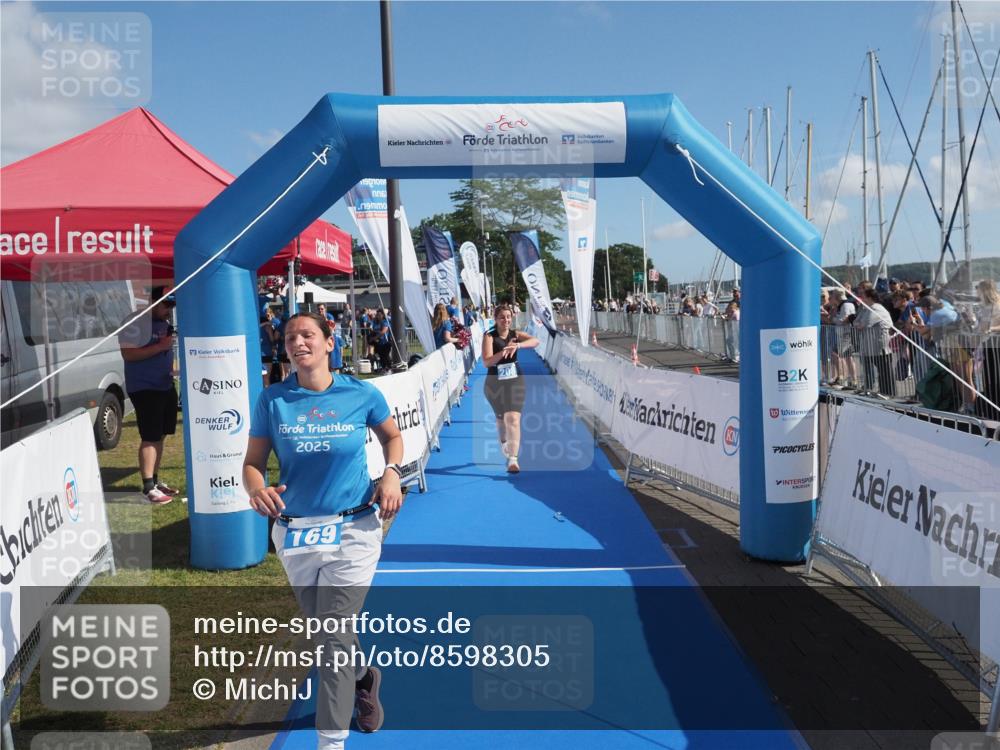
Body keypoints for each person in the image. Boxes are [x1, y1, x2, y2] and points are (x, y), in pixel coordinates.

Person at [243, 311, 404, 750]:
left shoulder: (360, 393)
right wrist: (257, 491)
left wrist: (391, 472)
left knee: (332, 636)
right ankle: (363, 677)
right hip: (296, 533)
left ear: (329, 342)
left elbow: (393, 437)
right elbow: (252, 466)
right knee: (327, 631)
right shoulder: (273, 400)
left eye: (308, 334)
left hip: (354, 527)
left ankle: (330, 742)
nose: (298, 342)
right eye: (290, 336)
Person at [118, 286, 180, 504]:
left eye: (172, 305)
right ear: (152, 301)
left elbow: (165, 352)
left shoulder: (164, 324)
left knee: (161, 435)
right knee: (150, 436)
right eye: (166, 304)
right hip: (145, 388)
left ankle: (154, 480)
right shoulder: (134, 322)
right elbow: (128, 354)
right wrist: (160, 346)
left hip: (165, 385)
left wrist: (172, 369)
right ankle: (147, 487)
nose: (169, 310)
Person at [481, 304, 539, 473]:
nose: (505, 320)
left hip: (515, 381)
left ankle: (513, 460)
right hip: (494, 384)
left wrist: (518, 346)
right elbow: (486, 362)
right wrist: (504, 352)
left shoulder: (515, 335)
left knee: (512, 418)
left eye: (508, 317)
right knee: (501, 420)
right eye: (502, 317)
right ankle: (504, 442)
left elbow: (535, 341)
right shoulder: (489, 336)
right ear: (495, 319)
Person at [974, 279, 1000, 419]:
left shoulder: (997, 305)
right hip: (988, 346)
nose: (977, 291)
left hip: (995, 345)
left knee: (995, 378)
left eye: (978, 289)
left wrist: (991, 329)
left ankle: (994, 409)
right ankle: (991, 410)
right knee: (989, 379)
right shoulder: (984, 307)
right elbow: (980, 327)